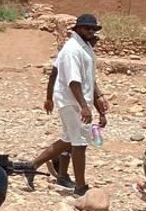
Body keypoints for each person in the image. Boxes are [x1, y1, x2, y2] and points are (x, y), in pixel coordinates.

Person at [22, 14, 108, 198]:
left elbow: (88, 78)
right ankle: (80, 186)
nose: (91, 32)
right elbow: (73, 81)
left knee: (69, 139)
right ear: (77, 29)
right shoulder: (72, 49)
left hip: (77, 100)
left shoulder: (85, 48)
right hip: (71, 101)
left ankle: (32, 166)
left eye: (93, 29)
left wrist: (99, 98)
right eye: (87, 28)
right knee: (80, 143)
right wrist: (84, 106)